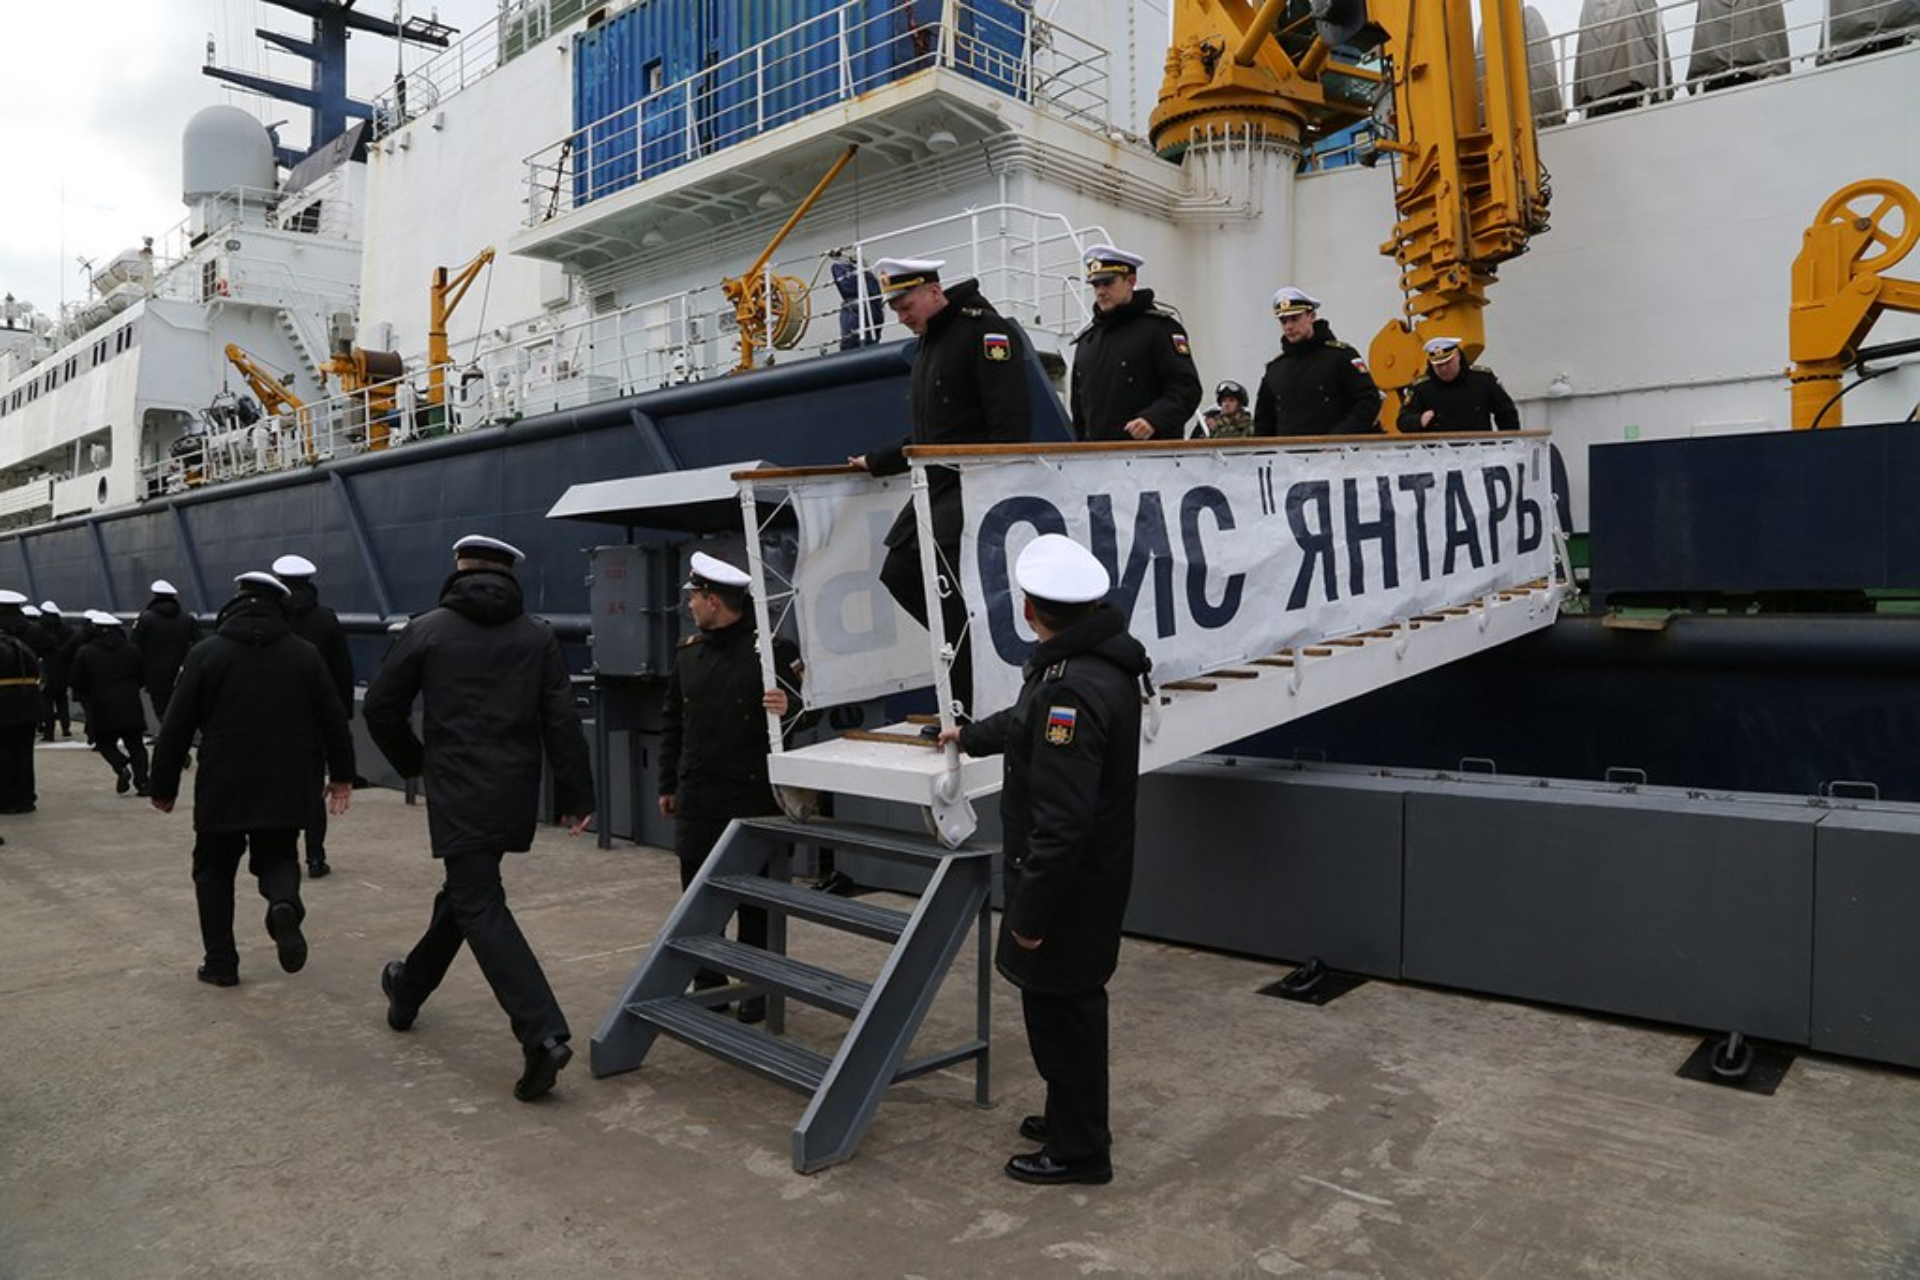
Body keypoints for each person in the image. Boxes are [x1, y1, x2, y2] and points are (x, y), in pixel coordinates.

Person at [938, 534, 1150, 1187]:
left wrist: (1029, 916)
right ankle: (1067, 1115)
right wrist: (967, 735)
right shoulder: (1083, 667)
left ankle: (1081, 1151)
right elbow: (1024, 720)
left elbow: (1063, 824)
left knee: (1066, 1014)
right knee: (1057, 1006)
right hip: (1080, 883)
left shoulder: (1072, 692)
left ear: (1031, 611)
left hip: (1066, 891)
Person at [363, 534, 595, 1102]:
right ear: (509, 574)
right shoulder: (537, 635)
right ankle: (407, 989)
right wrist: (577, 794)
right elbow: (561, 719)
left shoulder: (428, 628)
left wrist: (414, 762)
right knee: (466, 895)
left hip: (457, 790)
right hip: (514, 791)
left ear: (459, 569)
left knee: (478, 902)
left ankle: (541, 1033)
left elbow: (379, 707)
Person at [149, 572, 356, 988]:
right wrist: (343, 776)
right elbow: (334, 718)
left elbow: (176, 723)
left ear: (236, 601)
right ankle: (283, 904)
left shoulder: (207, 654)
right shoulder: (304, 654)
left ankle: (221, 963)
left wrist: (163, 785)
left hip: (223, 778)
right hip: (286, 774)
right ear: (279, 606)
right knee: (278, 854)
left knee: (213, 869)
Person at [848, 257, 1032, 716]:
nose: (902, 317)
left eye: (906, 305)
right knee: (901, 572)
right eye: (895, 309)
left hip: (973, 486)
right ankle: (968, 681)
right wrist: (879, 459)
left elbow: (1010, 426)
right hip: (937, 485)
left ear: (934, 292)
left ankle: (967, 702)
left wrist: (994, 489)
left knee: (936, 583)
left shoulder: (984, 332)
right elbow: (934, 434)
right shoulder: (932, 342)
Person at [658, 551, 807, 1025]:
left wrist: (792, 706)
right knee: (698, 896)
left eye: (694, 598)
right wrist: (667, 783)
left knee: (756, 899)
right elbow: (672, 723)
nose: (689, 607)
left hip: (752, 795)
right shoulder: (688, 653)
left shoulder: (772, 651)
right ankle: (710, 985)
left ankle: (757, 987)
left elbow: (811, 708)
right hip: (699, 796)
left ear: (713, 600)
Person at [273, 553, 357, 879]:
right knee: (311, 789)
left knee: (277, 788)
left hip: (274, 719)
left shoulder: (272, 619)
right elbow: (342, 672)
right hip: (314, 722)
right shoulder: (326, 619)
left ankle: (282, 856)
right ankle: (316, 857)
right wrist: (341, 717)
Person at [1067, 245, 1201, 443]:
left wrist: (1154, 420)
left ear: (1131, 281)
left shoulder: (1160, 329)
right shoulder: (1088, 340)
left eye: (1108, 283)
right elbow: (1080, 410)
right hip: (1096, 461)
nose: (1101, 291)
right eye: (1096, 285)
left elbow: (1186, 389)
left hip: (1149, 458)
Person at [1252, 287, 1383, 436]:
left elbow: (1368, 402)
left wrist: (1337, 439)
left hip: (1340, 454)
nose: (1289, 326)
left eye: (1295, 318)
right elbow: (1264, 422)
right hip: (1289, 456)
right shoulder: (1275, 370)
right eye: (1283, 321)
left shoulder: (1341, 356)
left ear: (1312, 316)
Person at [68, 612, 151, 796]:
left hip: (101, 704)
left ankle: (120, 765)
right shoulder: (132, 650)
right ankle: (143, 783)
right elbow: (143, 677)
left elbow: (76, 680)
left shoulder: (86, 652)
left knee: (105, 743)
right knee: (136, 745)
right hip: (130, 703)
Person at [1397, 337, 1522, 433]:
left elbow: (1506, 413)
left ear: (1457, 356)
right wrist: (1419, 420)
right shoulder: (1421, 387)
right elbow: (1402, 421)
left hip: (1481, 454)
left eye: (1448, 362)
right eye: (1438, 365)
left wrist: (1509, 445)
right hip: (1438, 457)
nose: (1444, 369)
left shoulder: (1482, 379)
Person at [0, 591, 47, 814]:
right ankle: (26, 798)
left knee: (3, 751)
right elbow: (51, 648)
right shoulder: (33, 630)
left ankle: (6, 799)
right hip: (28, 695)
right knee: (24, 750)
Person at [131, 578, 201, 723]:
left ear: (155, 596)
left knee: (160, 706)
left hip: (153, 672)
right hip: (181, 671)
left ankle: (165, 737)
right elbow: (200, 643)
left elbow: (135, 644)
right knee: (179, 705)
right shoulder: (187, 619)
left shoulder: (146, 618)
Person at [36, 601, 75, 741]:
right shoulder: (66, 629)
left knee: (46, 701)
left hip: (46, 668)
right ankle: (66, 728)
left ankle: (49, 732)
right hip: (63, 668)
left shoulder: (39, 629)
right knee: (62, 699)